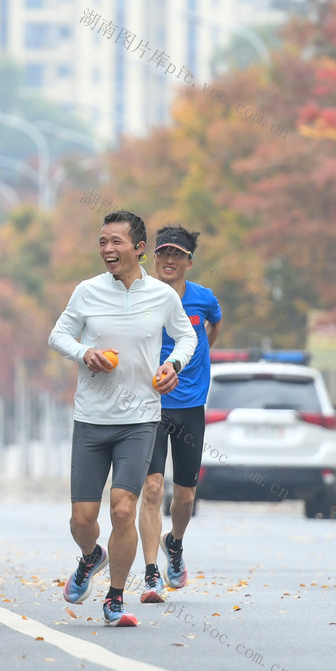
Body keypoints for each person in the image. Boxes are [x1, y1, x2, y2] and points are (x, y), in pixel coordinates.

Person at [48, 210, 197, 627]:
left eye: (116, 241)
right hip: (92, 418)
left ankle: (115, 598)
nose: (107, 249)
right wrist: (83, 353)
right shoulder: (86, 292)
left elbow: (187, 336)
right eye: (102, 242)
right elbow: (58, 335)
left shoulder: (163, 296)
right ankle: (90, 556)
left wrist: (174, 365)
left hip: (141, 418)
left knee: (122, 509)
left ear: (138, 248)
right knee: (82, 520)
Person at [137, 225, 221, 604]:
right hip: (150, 407)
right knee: (152, 488)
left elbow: (212, 328)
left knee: (185, 498)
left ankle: (176, 542)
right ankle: (151, 574)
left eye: (177, 254)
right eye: (163, 253)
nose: (169, 260)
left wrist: (194, 366)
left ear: (189, 261)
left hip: (190, 407)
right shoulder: (140, 295)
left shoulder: (204, 299)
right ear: (153, 257)